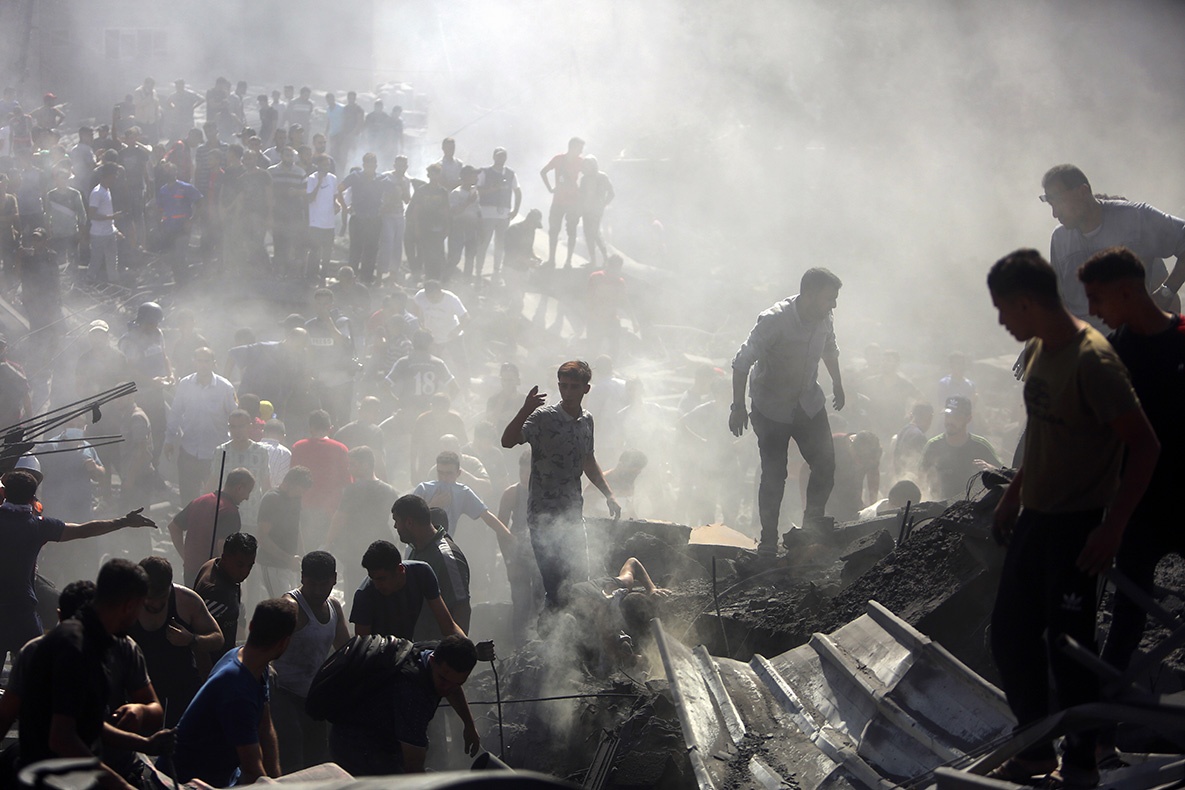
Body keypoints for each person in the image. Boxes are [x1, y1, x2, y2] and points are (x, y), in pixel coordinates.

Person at [986, 248, 1159, 787]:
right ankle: (1037, 745)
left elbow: (1145, 447)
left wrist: (1113, 528)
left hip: (1078, 524)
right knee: (1010, 635)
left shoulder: (1094, 362)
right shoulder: (1041, 348)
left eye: (1002, 311)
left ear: (1026, 302)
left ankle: (1082, 759)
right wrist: (1013, 493)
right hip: (1036, 516)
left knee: (1070, 648)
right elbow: (1041, 429)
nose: (1001, 322)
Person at [1077, 247, 1185, 727]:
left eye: (1099, 299)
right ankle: (1099, 740)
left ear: (1127, 290)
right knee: (1126, 622)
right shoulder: (1111, 356)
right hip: (1137, 508)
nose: (1094, 311)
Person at [731, 267, 845, 556]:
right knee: (774, 473)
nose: (833, 305)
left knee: (826, 463)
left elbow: (829, 349)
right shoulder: (774, 321)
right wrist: (738, 406)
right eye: (828, 299)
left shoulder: (823, 317)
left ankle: (811, 527)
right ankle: (768, 540)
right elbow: (742, 362)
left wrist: (838, 384)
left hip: (807, 401)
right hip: (771, 407)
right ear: (808, 295)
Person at [0, 469, 156, 670]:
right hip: (22, 611)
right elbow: (84, 530)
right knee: (37, 672)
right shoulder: (38, 526)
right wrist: (123, 522)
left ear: (5, 494)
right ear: (32, 498)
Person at [14, 560, 150, 784]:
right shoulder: (73, 649)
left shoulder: (108, 647)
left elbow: (88, 723)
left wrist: (144, 743)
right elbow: (63, 737)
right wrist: (120, 785)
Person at [501, 360, 620, 610]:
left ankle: (575, 640)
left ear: (585, 389)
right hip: (544, 517)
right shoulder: (544, 418)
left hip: (573, 515)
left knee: (579, 583)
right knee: (555, 587)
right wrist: (525, 410)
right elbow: (508, 441)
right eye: (563, 386)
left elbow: (588, 459)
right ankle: (550, 640)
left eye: (574, 387)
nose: (567, 392)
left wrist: (609, 494)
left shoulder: (587, 421)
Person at [170, 598, 296, 787]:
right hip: (187, 782)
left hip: (224, 777)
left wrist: (277, 781)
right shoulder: (237, 690)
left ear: (251, 627)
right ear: (284, 643)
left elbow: (265, 727)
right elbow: (252, 771)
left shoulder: (252, 663)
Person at [1041, 164, 1185, 321]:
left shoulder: (1135, 218)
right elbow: (1057, 301)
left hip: (1134, 340)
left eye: (1059, 202)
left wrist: (1166, 292)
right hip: (1091, 345)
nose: (1055, 213)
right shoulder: (1059, 240)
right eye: (1051, 205)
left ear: (1083, 191)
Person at [328, 634, 480, 776]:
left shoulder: (435, 654)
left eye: (456, 683)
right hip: (356, 746)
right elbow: (413, 767)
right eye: (443, 680)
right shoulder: (413, 693)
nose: (447, 688)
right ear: (433, 662)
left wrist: (469, 724)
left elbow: (452, 685)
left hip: (383, 737)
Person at [271, 551, 349, 773]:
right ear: (302, 577)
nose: (317, 591)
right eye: (312, 584)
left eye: (324, 584)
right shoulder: (291, 607)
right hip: (282, 695)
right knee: (292, 756)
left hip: (313, 697)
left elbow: (347, 652)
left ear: (334, 579)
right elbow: (261, 650)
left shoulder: (334, 607)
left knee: (318, 759)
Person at [130, 556, 224, 727]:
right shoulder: (126, 600)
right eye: (149, 597)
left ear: (169, 587)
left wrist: (191, 639)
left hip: (180, 687)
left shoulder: (186, 600)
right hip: (139, 686)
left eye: (161, 597)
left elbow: (217, 638)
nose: (154, 603)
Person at [349, 539, 465, 639]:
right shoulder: (364, 595)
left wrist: (468, 648)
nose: (377, 585)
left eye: (381, 579)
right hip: (377, 657)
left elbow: (448, 626)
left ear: (400, 569)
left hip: (407, 649)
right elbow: (363, 648)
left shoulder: (422, 573)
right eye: (372, 578)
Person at [165, 346, 237, 504]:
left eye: (207, 361)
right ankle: (189, 526)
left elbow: (235, 417)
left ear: (214, 363)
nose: (203, 365)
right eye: (199, 361)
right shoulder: (185, 384)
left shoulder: (225, 387)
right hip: (189, 449)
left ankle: (211, 527)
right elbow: (175, 412)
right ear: (194, 362)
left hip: (215, 453)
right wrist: (169, 440)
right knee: (188, 496)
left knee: (215, 497)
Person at [391, 494, 472, 634]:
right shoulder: (416, 550)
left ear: (409, 523)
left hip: (439, 647)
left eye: (396, 521)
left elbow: (461, 607)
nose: (395, 526)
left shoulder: (446, 556)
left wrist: (457, 650)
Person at [325, 446, 399, 594]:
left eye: (353, 464)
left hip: (355, 551)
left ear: (366, 465)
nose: (349, 468)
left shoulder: (353, 490)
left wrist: (327, 543)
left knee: (355, 591)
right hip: (382, 548)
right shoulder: (389, 490)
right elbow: (394, 522)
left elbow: (339, 518)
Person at [167, 467, 255, 586]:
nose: (247, 498)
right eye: (248, 492)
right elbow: (222, 546)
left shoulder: (199, 501)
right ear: (239, 488)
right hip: (212, 578)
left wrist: (186, 558)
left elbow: (174, 527)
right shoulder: (230, 512)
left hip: (190, 572)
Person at [413, 450, 513, 548]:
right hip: (418, 546)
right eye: (441, 473)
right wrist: (432, 505)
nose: (444, 478)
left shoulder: (462, 492)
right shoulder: (424, 489)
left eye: (449, 473)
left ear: (458, 473)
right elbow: (408, 517)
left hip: (443, 547)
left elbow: (486, 516)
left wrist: (511, 538)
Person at [920, 396, 1001, 500]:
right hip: (938, 509)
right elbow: (918, 478)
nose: (950, 421)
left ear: (969, 419)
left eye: (956, 417)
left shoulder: (981, 446)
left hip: (971, 509)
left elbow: (1004, 476)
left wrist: (991, 469)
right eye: (948, 416)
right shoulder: (933, 446)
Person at [207, 409, 273, 533]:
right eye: (233, 427)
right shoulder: (221, 451)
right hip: (225, 515)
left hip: (252, 516)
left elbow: (266, 485)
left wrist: (268, 515)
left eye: (241, 426)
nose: (237, 431)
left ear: (250, 426)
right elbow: (212, 482)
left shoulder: (261, 452)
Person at [193, 531, 258, 651]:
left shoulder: (213, 563)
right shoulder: (217, 593)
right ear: (225, 557)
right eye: (240, 565)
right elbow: (201, 635)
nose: (245, 572)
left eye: (250, 566)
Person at [256, 466, 314, 597]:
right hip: (271, 564)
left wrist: (303, 556)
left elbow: (296, 527)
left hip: (289, 565)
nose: (301, 495)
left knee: (293, 602)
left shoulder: (295, 498)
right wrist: (288, 559)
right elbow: (262, 536)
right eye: (300, 491)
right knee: (282, 604)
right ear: (289, 483)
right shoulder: (272, 499)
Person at [476, 147, 521, 281]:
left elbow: (517, 192)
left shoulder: (510, 174)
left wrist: (516, 210)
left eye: (503, 156)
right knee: (483, 243)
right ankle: (478, 270)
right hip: (487, 212)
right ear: (494, 157)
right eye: (498, 156)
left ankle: (496, 271)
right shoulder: (485, 172)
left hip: (503, 214)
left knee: (500, 244)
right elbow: (478, 190)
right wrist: (493, 188)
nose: (501, 158)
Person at [540, 137, 584, 268]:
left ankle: (567, 261)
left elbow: (543, 172)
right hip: (561, 201)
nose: (581, 152)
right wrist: (550, 188)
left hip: (571, 202)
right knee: (554, 230)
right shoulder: (559, 159)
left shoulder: (579, 161)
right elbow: (543, 172)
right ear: (573, 147)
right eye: (580, 149)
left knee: (570, 231)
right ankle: (553, 260)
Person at [579, 155, 614, 267]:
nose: (586, 167)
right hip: (586, 210)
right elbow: (581, 194)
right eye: (585, 165)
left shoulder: (602, 177)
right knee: (587, 234)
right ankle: (592, 261)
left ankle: (605, 258)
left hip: (596, 211)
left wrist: (603, 204)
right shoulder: (584, 179)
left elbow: (611, 193)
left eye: (588, 165)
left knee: (594, 233)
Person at [892, 402, 933, 479]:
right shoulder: (919, 436)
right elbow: (921, 467)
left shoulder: (903, 431)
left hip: (900, 478)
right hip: (911, 481)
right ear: (928, 418)